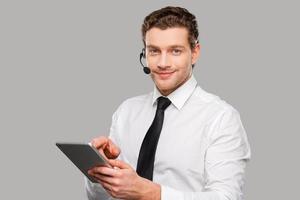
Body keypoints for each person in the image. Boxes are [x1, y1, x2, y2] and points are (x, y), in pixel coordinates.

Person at [85, 6, 251, 200]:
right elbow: (99, 199)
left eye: (175, 51)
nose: (163, 62)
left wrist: (152, 193)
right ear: (144, 54)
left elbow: (227, 197)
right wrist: (100, 172)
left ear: (195, 52)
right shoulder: (126, 112)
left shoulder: (221, 118)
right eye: (154, 51)